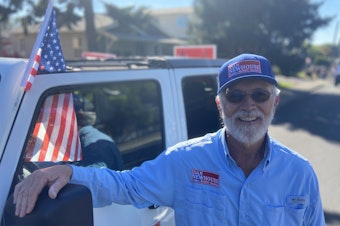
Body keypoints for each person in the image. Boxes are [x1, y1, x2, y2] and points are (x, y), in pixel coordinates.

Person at [13, 53, 325, 225]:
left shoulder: (299, 173)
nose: (248, 106)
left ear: (275, 103)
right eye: (235, 95)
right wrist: (69, 172)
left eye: (260, 95)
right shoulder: (186, 161)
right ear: (220, 104)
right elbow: (127, 186)